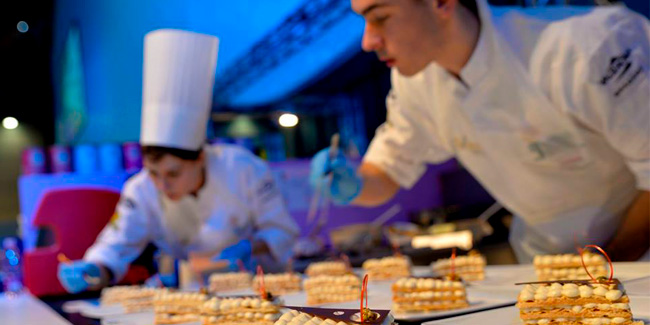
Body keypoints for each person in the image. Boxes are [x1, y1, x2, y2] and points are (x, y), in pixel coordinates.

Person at [311, 0, 649, 262]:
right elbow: (385, 174)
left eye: (380, 17)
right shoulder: (418, 83)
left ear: (441, 2)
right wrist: (352, 183)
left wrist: (608, 267)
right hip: (545, 254)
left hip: (640, 254)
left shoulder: (588, 45)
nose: (368, 41)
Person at [58, 29, 299, 294]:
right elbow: (115, 246)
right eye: (153, 173)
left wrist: (250, 247)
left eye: (173, 174)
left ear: (199, 157)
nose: (162, 185)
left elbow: (282, 232)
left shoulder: (244, 169)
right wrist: (94, 269)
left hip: (262, 288)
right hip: (193, 294)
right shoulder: (140, 191)